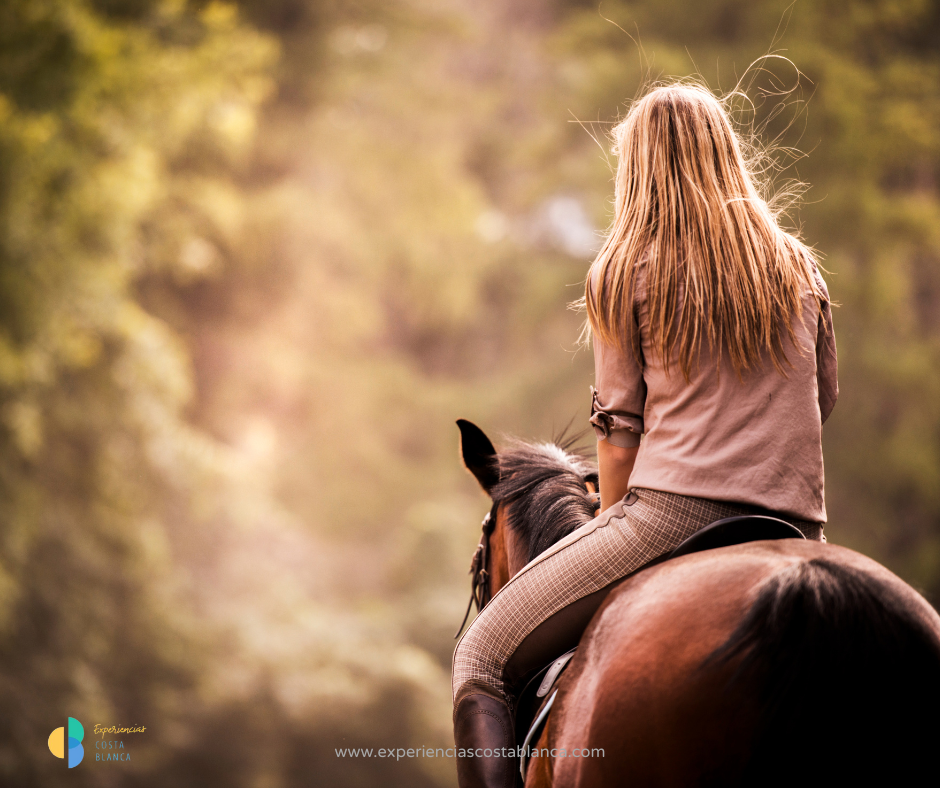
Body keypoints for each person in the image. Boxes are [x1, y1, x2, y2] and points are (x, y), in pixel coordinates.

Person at [451, 82, 837, 788]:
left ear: (640, 167)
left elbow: (620, 437)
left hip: (671, 516)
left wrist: (614, 519)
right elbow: (822, 401)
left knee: (479, 656)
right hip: (798, 526)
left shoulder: (625, 269)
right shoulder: (799, 267)